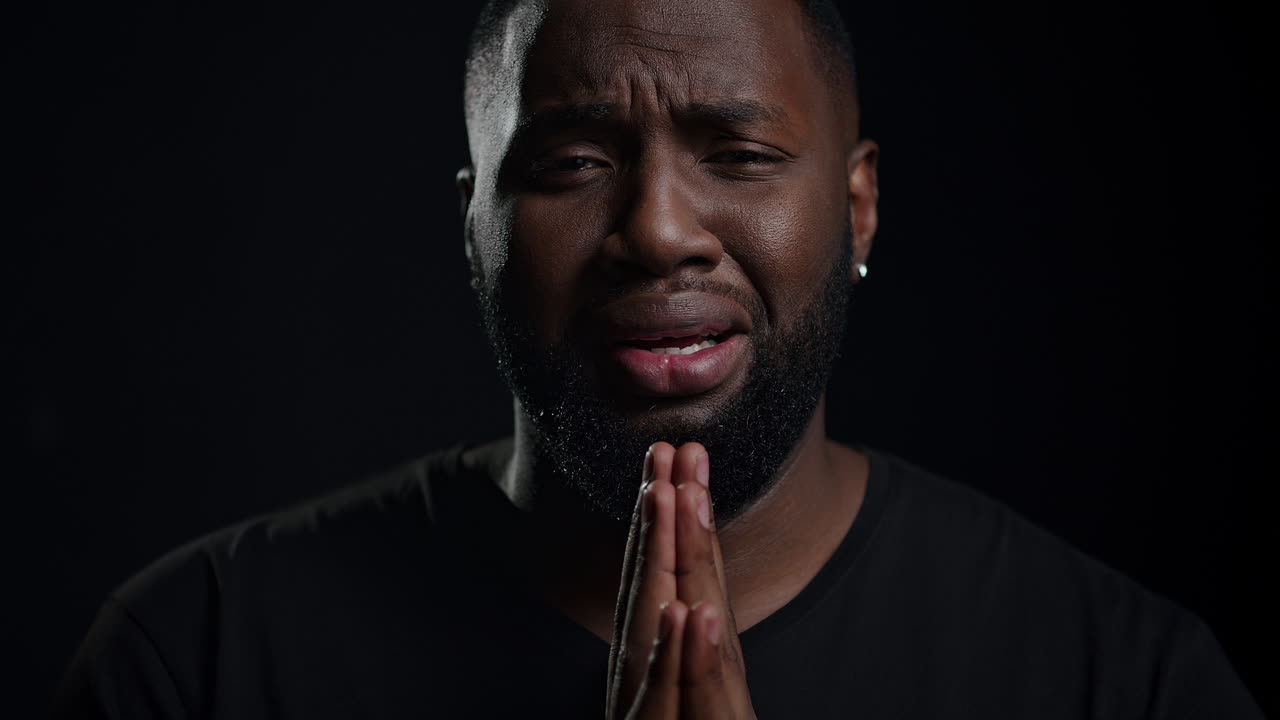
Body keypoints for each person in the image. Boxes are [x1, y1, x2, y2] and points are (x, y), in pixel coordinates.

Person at [53, 0, 1263, 717]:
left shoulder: (1120, 683)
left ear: (858, 209)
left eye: (735, 152)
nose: (657, 230)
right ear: (473, 228)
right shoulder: (199, 662)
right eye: (571, 163)